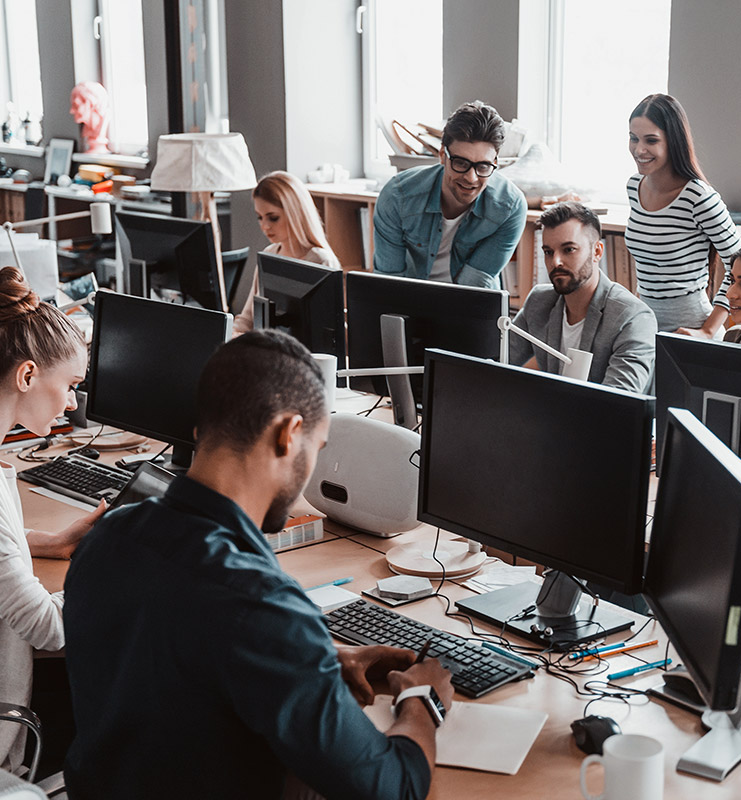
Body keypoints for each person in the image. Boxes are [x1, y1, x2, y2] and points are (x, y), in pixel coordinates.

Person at [64, 329, 453, 800]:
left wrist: (314, 661)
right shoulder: (260, 601)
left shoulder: (108, 538)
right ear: (289, 434)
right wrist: (422, 700)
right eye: (318, 445)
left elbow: (170, 658)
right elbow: (394, 789)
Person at [0, 266, 105, 774]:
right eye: (70, 385)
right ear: (26, 375)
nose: (71, 404)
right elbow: (46, 626)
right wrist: (128, 583)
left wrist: (49, 541)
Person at [373, 100, 527, 290]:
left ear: (495, 162)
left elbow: (476, 283)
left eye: (483, 166)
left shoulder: (510, 207)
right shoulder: (397, 197)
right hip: (410, 301)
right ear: (442, 156)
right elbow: (389, 283)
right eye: (461, 163)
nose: (471, 178)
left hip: (471, 304)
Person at [625, 93, 741, 336]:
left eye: (651, 140)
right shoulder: (633, 187)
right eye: (634, 138)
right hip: (644, 323)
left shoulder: (698, 196)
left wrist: (708, 330)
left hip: (690, 326)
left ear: (673, 141)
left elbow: (740, 264)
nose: (639, 149)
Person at [509, 202, 656, 394]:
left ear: (597, 252)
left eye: (568, 249)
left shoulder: (633, 318)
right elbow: (495, 360)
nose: (556, 262)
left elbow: (618, 404)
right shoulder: (539, 301)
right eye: (548, 252)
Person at [233, 171, 341, 335]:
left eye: (273, 218)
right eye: (260, 217)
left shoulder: (320, 261)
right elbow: (247, 319)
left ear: (295, 213)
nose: (265, 226)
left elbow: (325, 333)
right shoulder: (269, 254)